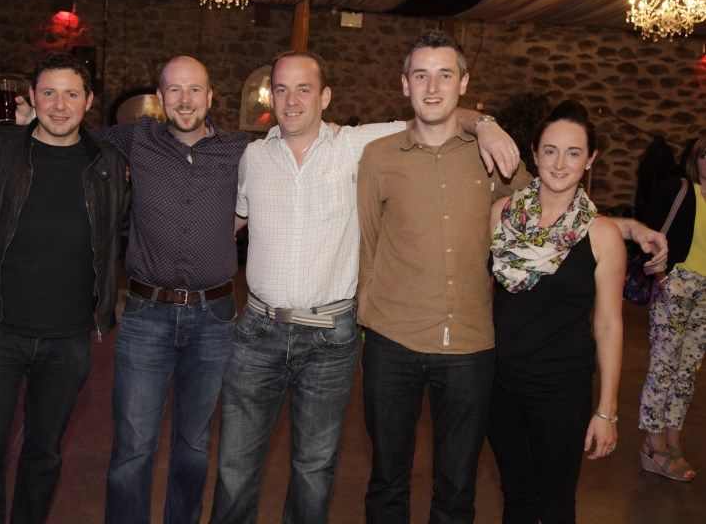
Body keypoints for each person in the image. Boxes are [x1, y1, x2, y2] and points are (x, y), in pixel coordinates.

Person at [356, 30, 668, 523]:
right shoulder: (379, 156)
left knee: (458, 489)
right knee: (389, 481)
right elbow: (368, 244)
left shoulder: (496, 162)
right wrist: (366, 324)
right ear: (404, 83)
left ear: (464, 82)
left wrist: (626, 227)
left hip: (472, 350)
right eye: (421, 75)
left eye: (445, 75)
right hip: (395, 343)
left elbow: (562, 208)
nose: (432, 87)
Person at [211, 49, 520, 523]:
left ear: (325, 97)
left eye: (304, 89)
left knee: (314, 470)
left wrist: (485, 125)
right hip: (258, 332)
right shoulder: (253, 157)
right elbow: (231, 222)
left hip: (328, 337)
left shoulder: (358, 144)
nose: (291, 101)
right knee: (234, 468)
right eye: (282, 89)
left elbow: (433, 113)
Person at [0, 54, 127, 523]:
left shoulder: (108, 164)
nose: (59, 105)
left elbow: (128, 230)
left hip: (68, 338)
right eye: (48, 93)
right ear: (31, 97)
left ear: (89, 101)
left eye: (71, 94)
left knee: (44, 455)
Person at [100, 56, 251, 523]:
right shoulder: (137, 138)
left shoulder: (241, 149)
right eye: (174, 90)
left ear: (211, 96)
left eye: (194, 89)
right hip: (146, 314)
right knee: (133, 444)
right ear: (160, 98)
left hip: (214, 318)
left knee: (194, 444)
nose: (185, 100)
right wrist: (29, 120)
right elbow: (69, 136)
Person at [486, 100, 624, 522]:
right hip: (499, 385)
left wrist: (606, 410)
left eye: (573, 152)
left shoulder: (602, 235)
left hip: (561, 392)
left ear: (590, 159)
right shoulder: (502, 215)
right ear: (534, 153)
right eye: (550, 150)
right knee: (516, 496)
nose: (560, 164)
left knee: (556, 503)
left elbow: (608, 325)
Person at [638, 133, 706, 482]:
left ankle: (673, 441)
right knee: (663, 367)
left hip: (705, 294)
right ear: (696, 159)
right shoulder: (678, 190)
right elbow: (648, 234)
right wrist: (663, 278)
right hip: (677, 284)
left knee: (687, 371)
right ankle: (653, 445)